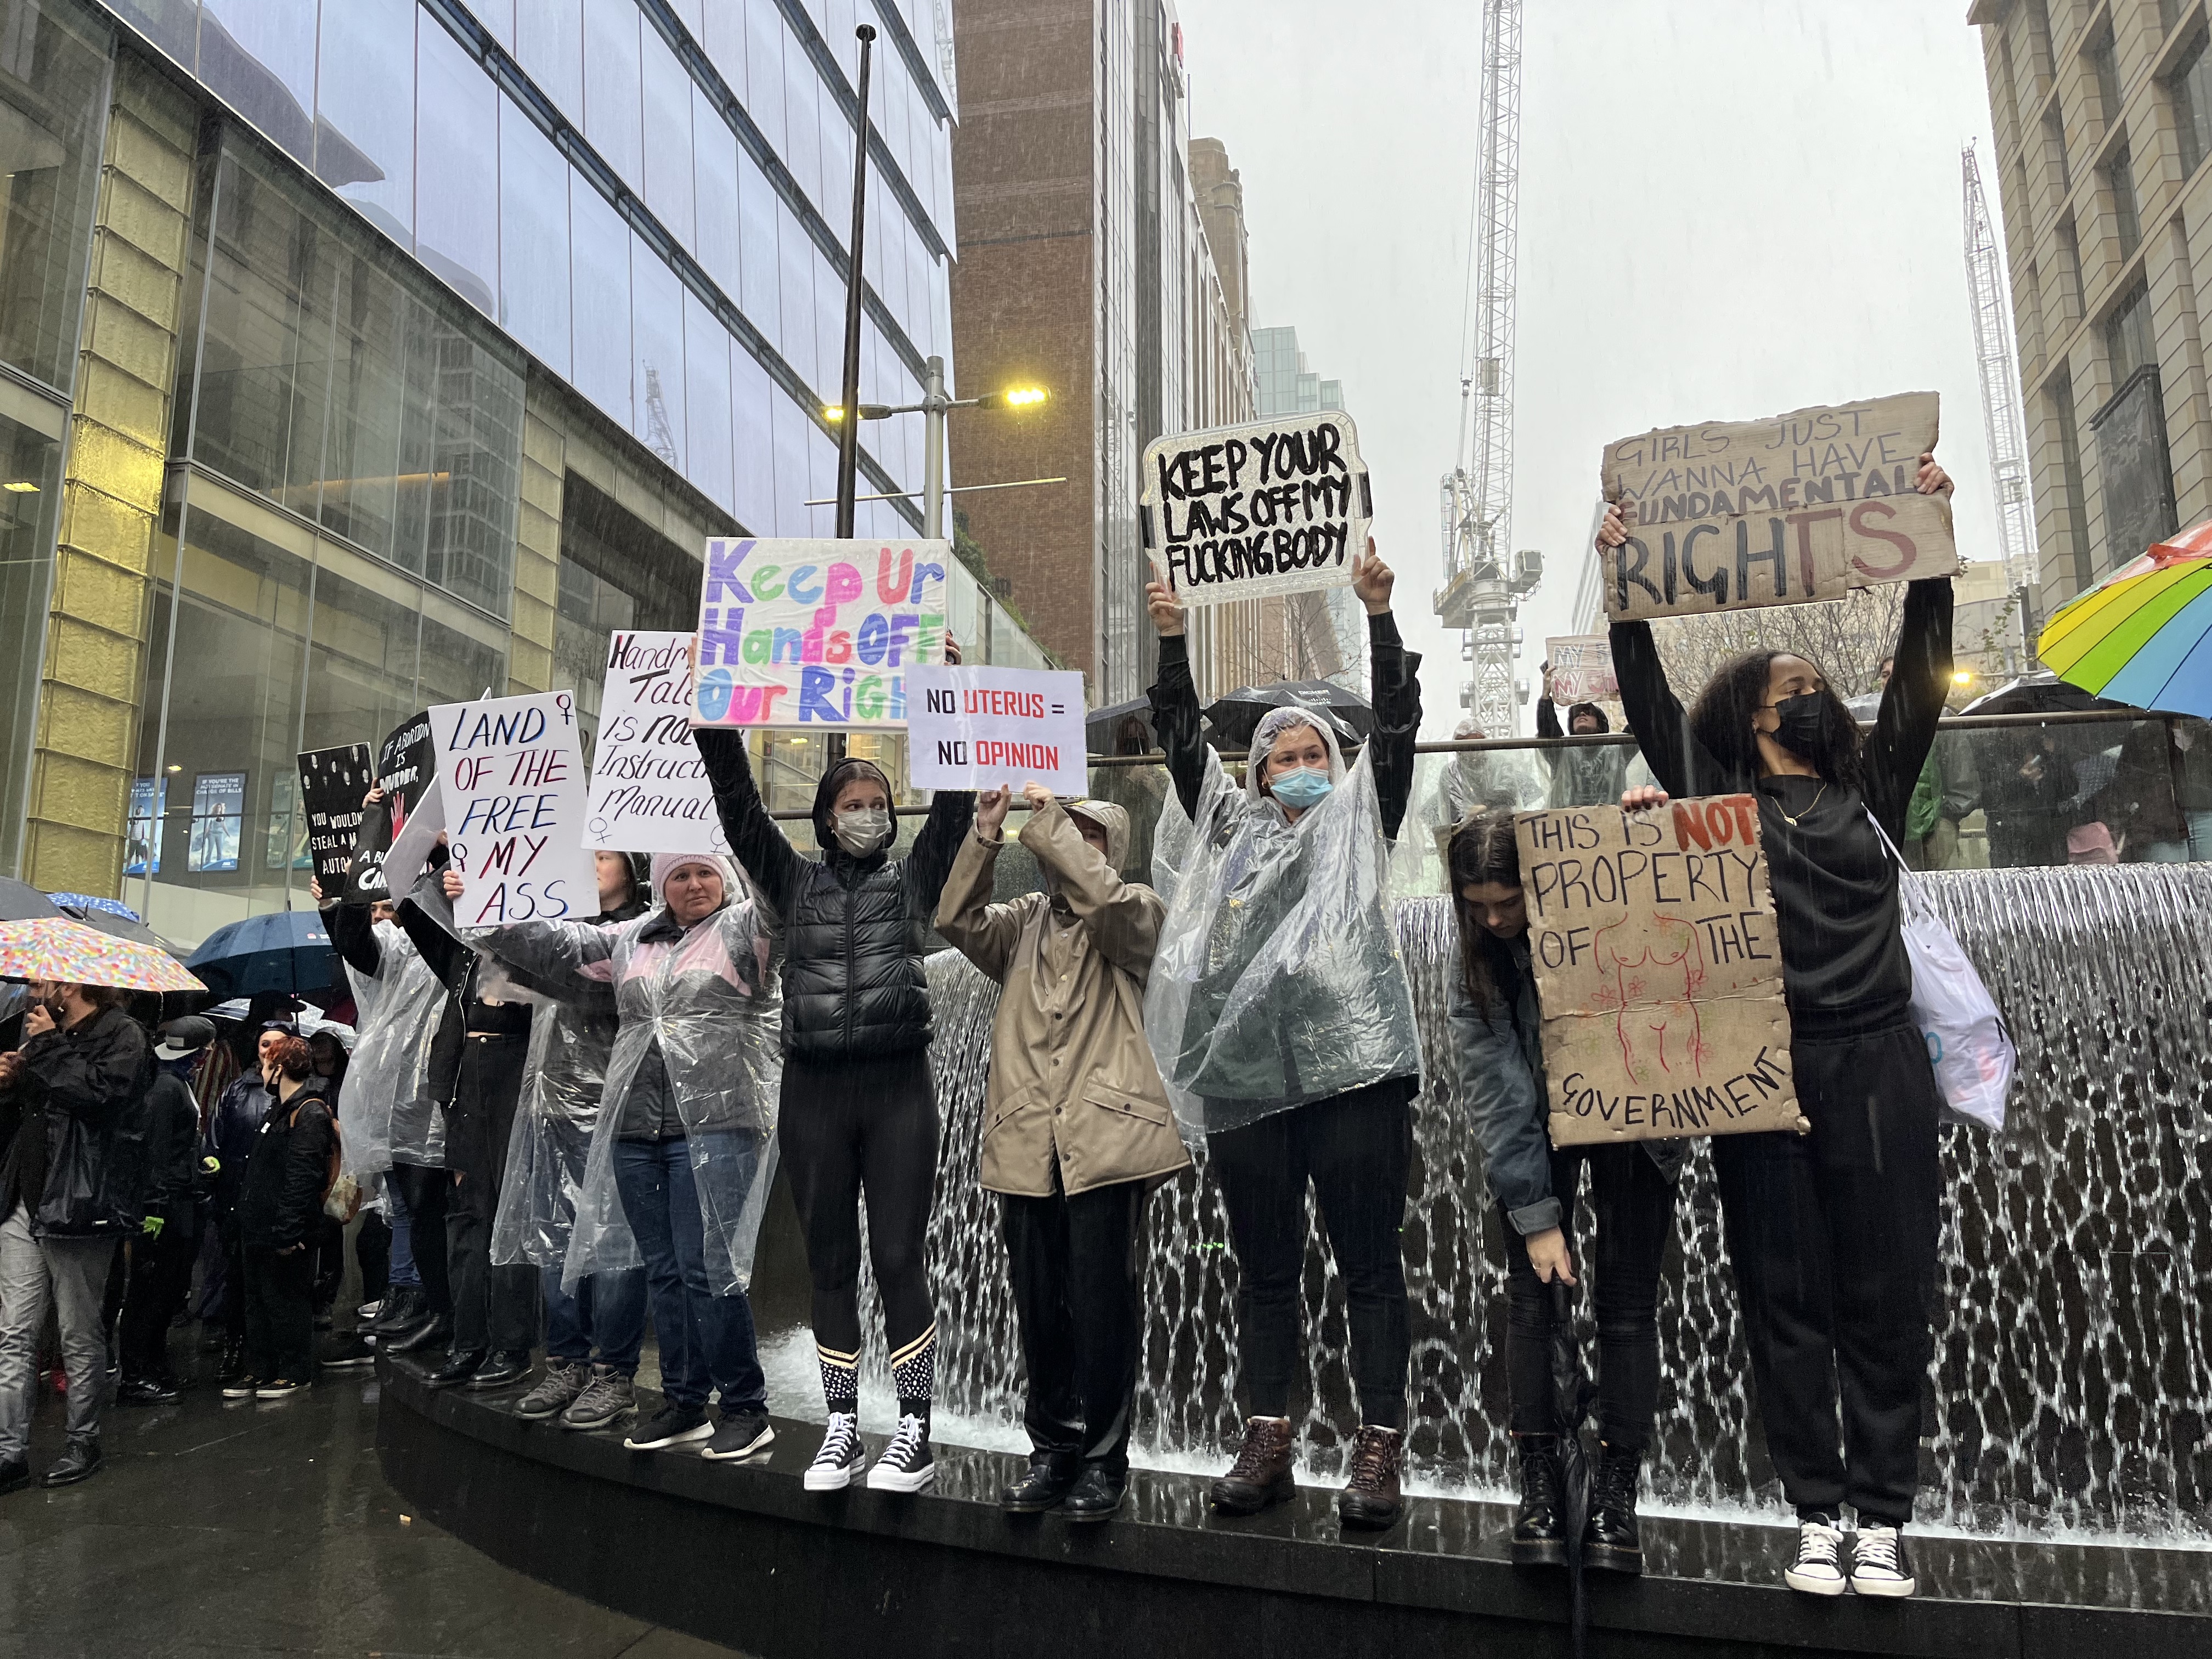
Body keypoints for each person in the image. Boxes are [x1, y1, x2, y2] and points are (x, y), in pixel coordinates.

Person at [1596, 451, 1954, 1599]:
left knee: (1887, 1291)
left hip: (1882, 1059)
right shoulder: (1716, 798)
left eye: (1813, 686)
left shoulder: (1875, 788)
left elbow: (1924, 681)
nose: (1805, 697)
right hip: (1764, 1069)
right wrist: (1622, 586)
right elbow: (1648, 700)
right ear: (1747, 722)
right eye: (1782, 688)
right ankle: (1816, 1513)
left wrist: (1930, 546)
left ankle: (1886, 1519)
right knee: (1782, 1293)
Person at [1142, 540, 1424, 1531]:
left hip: (1355, 1077)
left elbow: (1397, 726)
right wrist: (1172, 639)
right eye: (1281, 757)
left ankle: (1378, 1442)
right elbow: (1180, 740)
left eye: (1313, 754)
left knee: (1369, 1264)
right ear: (1255, 773)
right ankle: (1269, 1433)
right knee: (1262, 1268)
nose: (1298, 768)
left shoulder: (1359, 821)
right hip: (1246, 1078)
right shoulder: (1227, 831)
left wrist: (1381, 619)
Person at [695, 726, 975, 1494]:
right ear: (824, 819)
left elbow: (951, 811)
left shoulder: (913, 882)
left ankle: (914, 1429)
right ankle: (842, 1426)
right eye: (852, 803)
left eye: (879, 803)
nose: (868, 814)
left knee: (896, 1257)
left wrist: (942, 700)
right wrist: (714, 720)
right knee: (829, 1266)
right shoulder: (791, 884)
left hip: (898, 1092)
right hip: (813, 1092)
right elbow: (738, 807)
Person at [462, 851, 781, 1459]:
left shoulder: (746, 933)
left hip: (716, 1127)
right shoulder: (634, 939)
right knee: (663, 1270)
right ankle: (685, 1403)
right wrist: (481, 897)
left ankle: (745, 1406)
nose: (694, 885)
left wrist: (741, 838)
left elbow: (781, 906)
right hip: (639, 1131)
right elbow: (557, 944)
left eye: (706, 872)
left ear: (728, 878)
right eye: (680, 875)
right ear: (661, 886)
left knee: (709, 1268)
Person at [936, 785, 1189, 1520]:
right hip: (1026, 1144)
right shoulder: (1021, 925)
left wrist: (1047, 819)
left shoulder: (1137, 914)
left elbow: (1108, 907)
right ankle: (1051, 1450)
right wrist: (985, 836)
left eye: (1085, 834)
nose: (1061, 846)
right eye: (1057, 833)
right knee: (1039, 1307)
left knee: (1103, 1307)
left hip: (1106, 1144)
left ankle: (1105, 1461)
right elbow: (954, 918)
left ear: (1109, 849)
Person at [1444, 810, 1685, 1572]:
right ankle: (1540, 1482)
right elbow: (1498, 1090)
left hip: (1639, 1121)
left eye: (1507, 902)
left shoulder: (1606, 901)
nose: (1492, 918)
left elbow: (1685, 896)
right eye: (1476, 904)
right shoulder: (1477, 963)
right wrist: (1536, 1214)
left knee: (1626, 1306)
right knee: (1531, 1300)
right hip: (1538, 1136)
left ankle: (1617, 1490)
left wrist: (1655, 818)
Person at [475, 850, 653, 1430]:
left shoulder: (646, 932)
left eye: (604, 855)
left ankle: (614, 1374)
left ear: (633, 866)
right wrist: (467, 887)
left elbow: (586, 979)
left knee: (614, 1247)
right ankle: (567, 1361)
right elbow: (500, 966)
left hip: (619, 1110)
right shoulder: (553, 923)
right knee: (554, 1236)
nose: (592, 864)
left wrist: (504, 918)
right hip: (553, 1107)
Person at [0, 978, 154, 1489]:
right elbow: (36, 1115)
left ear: (70, 985)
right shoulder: (46, 1033)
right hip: (26, 1197)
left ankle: (82, 1440)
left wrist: (45, 1047)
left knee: (77, 1333)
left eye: (42, 981)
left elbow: (102, 1096)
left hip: (80, 1206)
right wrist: (13, 1079)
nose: (34, 990)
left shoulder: (123, 1034)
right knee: (15, 1333)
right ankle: (9, 1452)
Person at [398, 846, 538, 1393]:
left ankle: (511, 1345)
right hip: (465, 1087)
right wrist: (437, 857)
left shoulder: (542, 940)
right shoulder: (460, 953)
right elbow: (414, 912)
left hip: (518, 1082)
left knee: (511, 1219)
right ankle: (469, 1340)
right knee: (468, 1219)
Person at [319, 858, 453, 1359]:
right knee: (413, 1212)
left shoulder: (453, 941)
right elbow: (355, 944)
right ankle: (420, 1302)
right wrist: (341, 895)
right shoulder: (395, 949)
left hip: (438, 1099)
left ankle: (433, 1304)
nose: (385, 915)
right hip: (396, 1101)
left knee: (432, 1212)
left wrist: (439, 855)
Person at [227, 1035, 336, 1400]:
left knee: (285, 1300)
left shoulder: (309, 1113)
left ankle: (293, 1369)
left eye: (267, 1065)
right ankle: (261, 1368)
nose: (261, 1071)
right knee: (258, 1301)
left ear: (281, 1069)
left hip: (285, 1229)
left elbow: (302, 1176)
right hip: (259, 1226)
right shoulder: (280, 1109)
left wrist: (288, 1231)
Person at [117, 1016, 215, 1405]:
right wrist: (154, 1208)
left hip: (179, 1202)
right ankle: (136, 1376)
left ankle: (154, 1367)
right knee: (149, 1295)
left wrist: (200, 1164)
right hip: (164, 1207)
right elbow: (154, 1151)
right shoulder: (165, 1088)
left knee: (167, 1292)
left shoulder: (175, 1083)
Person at [203, 1020, 295, 1389]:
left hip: (276, 1204)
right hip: (236, 1201)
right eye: (264, 1043)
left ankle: (278, 1355)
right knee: (238, 1282)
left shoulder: (297, 1095)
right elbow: (214, 1140)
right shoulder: (237, 1090)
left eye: (278, 1043)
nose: (269, 1050)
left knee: (276, 1285)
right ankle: (237, 1346)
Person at [1536, 676, 1633, 809]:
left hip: (1611, 822)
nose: (1581, 713)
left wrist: (1629, 694)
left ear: (1600, 724)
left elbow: (1637, 726)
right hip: (1568, 823)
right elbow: (1548, 732)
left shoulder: (1617, 751)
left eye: (1588, 712)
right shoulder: (1561, 754)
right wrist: (1546, 695)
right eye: (1576, 713)